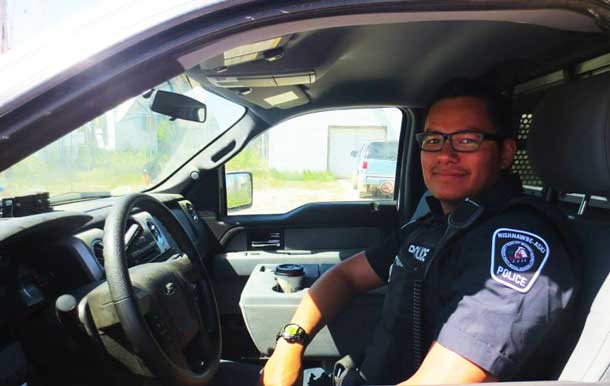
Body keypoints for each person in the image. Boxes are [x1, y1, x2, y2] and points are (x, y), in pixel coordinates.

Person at [217, 78, 578, 386]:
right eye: (434, 140)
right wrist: (291, 343)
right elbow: (345, 276)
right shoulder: (438, 222)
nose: (445, 155)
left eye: (466, 140)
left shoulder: (519, 244)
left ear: (504, 153)